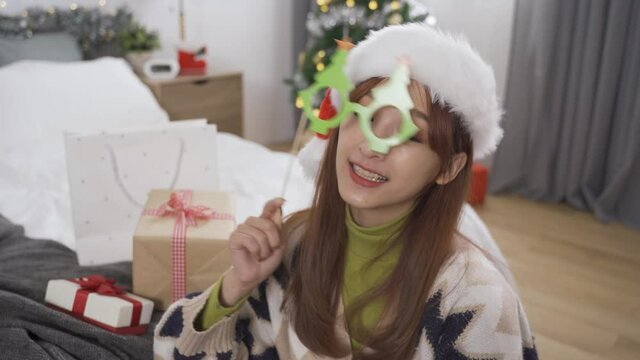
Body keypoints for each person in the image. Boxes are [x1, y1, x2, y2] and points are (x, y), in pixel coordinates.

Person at [154, 23, 538, 360]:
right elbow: (172, 350)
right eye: (362, 114)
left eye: (408, 133)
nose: (372, 147)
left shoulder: (476, 301)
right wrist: (236, 284)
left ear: (449, 168)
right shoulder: (295, 246)